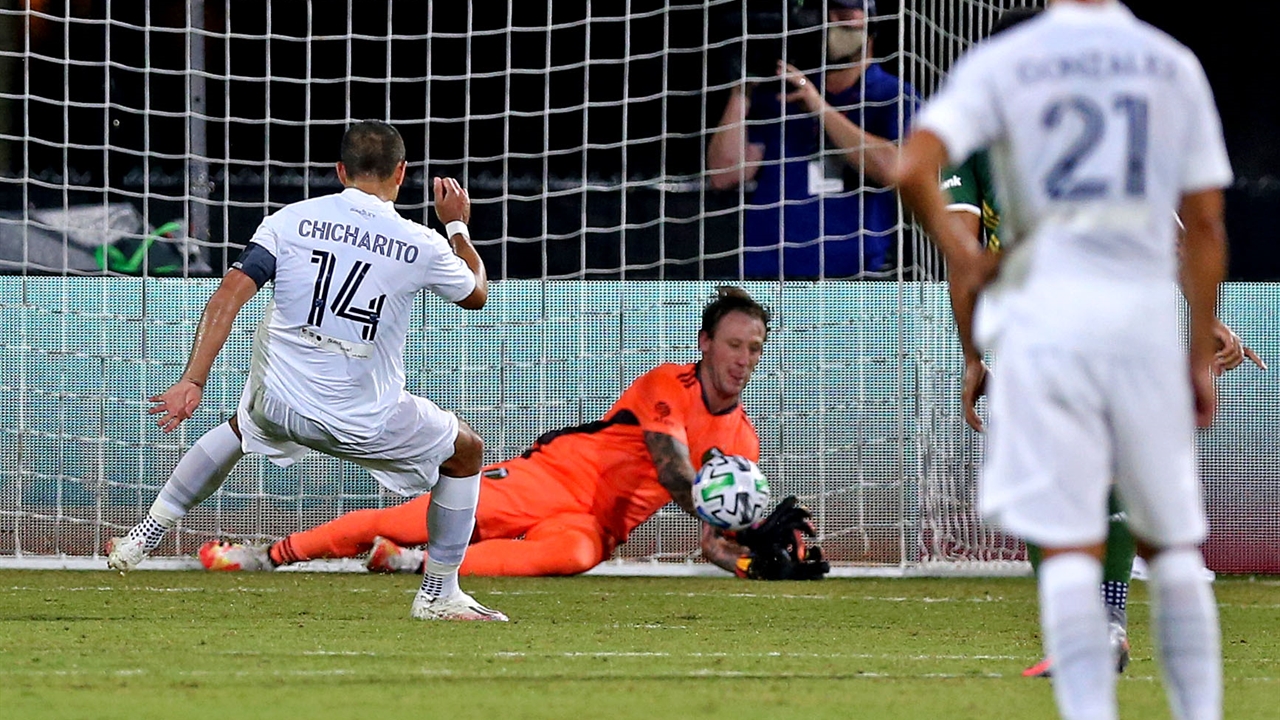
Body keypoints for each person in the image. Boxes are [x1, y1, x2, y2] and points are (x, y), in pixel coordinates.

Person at [897, 2, 1231, 718]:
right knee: (1173, 545)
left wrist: (972, 313)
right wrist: (1201, 338)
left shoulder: (1007, 63)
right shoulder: (1166, 63)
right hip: (1138, 328)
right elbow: (1201, 224)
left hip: (1043, 329)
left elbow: (910, 166)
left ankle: (1089, 697)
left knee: (1064, 536)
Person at [106, 120, 506, 622]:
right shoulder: (420, 242)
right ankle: (438, 594)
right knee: (465, 452)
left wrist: (193, 380)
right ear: (401, 173)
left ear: (340, 170)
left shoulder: (290, 220)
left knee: (242, 425)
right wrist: (457, 227)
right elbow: (476, 292)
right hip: (363, 418)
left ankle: (145, 535)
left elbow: (228, 296)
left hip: (281, 404)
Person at [198, 287, 829, 582]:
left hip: (596, 524)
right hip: (550, 478)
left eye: (755, 348)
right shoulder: (668, 383)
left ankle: (414, 566)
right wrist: (733, 515)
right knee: (411, 518)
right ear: (705, 343)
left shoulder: (743, 442)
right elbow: (674, 471)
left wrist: (749, 561)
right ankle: (267, 555)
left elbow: (713, 543)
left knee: (575, 557)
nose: (744, 359)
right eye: (734, 345)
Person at [707, 0, 917, 278]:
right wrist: (742, 89)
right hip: (769, 273)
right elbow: (724, 175)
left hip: (858, 276)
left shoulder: (892, 95)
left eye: (844, 14)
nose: (832, 22)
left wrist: (819, 107)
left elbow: (894, 168)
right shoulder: (784, 91)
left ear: (872, 23)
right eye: (825, 14)